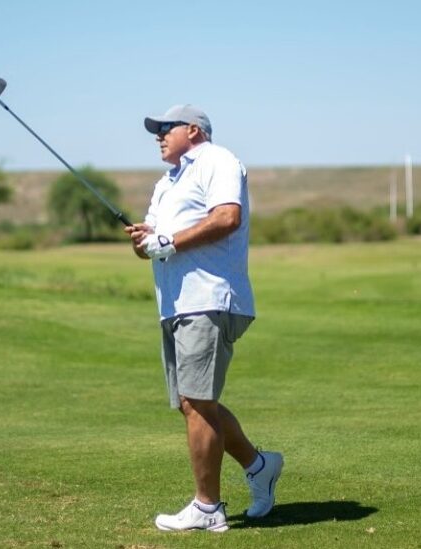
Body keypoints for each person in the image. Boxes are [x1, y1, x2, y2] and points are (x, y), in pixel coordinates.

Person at [125, 104, 284, 533]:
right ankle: (259, 465)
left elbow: (227, 217)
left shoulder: (218, 160)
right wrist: (146, 241)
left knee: (197, 403)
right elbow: (154, 242)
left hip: (209, 298)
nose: (158, 136)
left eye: (165, 129)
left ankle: (207, 507)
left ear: (193, 130)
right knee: (193, 404)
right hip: (175, 303)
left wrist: (169, 241)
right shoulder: (166, 183)